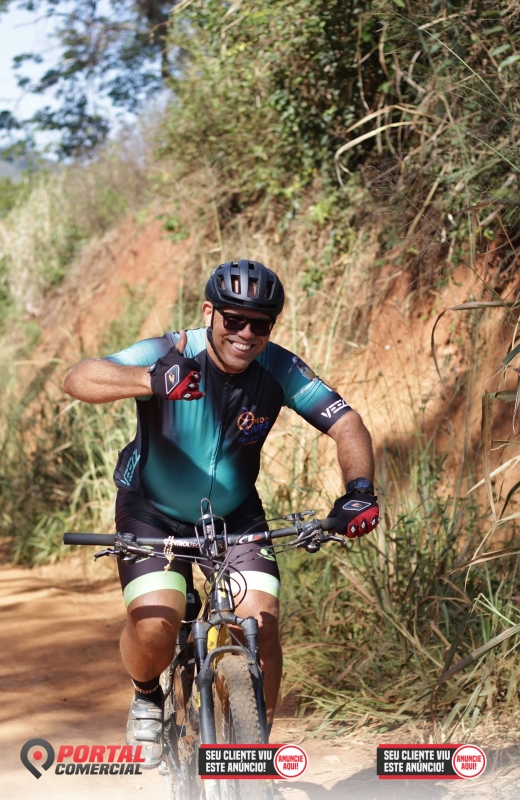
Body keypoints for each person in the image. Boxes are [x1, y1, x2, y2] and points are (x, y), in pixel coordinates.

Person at [63, 259, 379, 769]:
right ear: (210, 313)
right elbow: (79, 378)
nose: (246, 334)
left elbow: (347, 424)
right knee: (155, 625)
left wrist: (359, 490)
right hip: (152, 509)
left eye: (261, 324)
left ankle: (254, 759)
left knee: (261, 624)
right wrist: (150, 379)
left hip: (235, 515)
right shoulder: (170, 352)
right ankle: (147, 693)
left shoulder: (280, 368)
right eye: (234, 320)